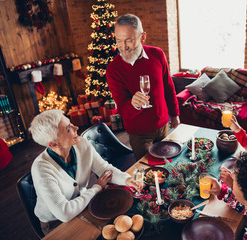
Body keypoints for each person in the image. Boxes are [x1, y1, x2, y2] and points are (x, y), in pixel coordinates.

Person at [29, 110, 141, 235]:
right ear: (54, 144)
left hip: (85, 206)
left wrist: (127, 180)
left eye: (70, 123)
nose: (76, 127)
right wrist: (96, 188)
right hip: (56, 224)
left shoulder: (81, 144)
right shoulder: (41, 169)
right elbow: (64, 213)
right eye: (68, 129)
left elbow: (104, 169)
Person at [106, 13, 180, 160]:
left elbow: (168, 86)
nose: (123, 47)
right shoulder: (113, 70)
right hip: (139, 134)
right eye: (118, 40)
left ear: (142, 37)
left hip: (163, 125)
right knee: (148, 171)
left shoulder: (157, 54)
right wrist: (134, 104)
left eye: (129, 40)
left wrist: (175, 113)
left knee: (166, 165)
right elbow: (122, 110)